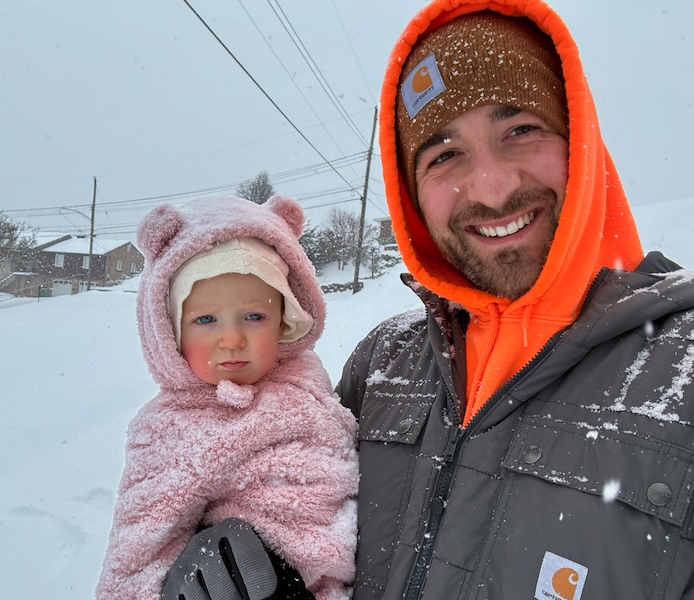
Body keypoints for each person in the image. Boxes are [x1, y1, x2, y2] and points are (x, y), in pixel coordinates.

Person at [161, 0, 694, 599]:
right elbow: (302, 523)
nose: (492, 185)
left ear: (579, 140)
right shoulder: (382, 367)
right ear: (411, 195)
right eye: (444, 155)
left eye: (519, 128)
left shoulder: (685, 374)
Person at [95, 195, 358, 600]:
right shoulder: (173, 428)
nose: (232, 338)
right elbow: (136, 557)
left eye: (254, 316)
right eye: (205, 319)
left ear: (285, 320)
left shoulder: (308, 381)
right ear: (171, 332)